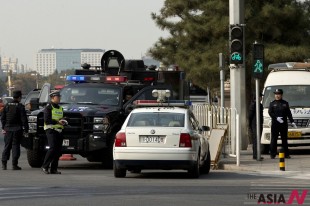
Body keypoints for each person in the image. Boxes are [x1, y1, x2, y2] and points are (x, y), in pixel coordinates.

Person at [41, 91, 67, 174]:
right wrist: (58, 122)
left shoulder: (60, 108)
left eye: (59, 97)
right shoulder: (48, 107)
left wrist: (65, 120)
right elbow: (47, 120)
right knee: (52, 148)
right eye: (57, 97)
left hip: (59, 131)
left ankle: (54, 169)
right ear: (52, 98)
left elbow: (61, 118)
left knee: (58, 150)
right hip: (51, 130)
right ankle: (45, 166)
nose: (59, 98)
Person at [1, 90, 28, 170]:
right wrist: (26, 129)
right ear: (19, 97)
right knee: (15, 146)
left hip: (8, 129)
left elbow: (3, 118)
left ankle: (4, 164)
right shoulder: (20, 106)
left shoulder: (7, 105)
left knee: (7, 146)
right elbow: (24, 119)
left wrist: (4, 127)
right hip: (17, 129)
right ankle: (14, 164)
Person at [268, 89, 297, 159]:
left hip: (283, 124)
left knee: (284, 139)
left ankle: (286, 154)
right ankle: (272, 154)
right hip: (275, 123)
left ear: (281, 95)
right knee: (274, 139)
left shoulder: (285, 103)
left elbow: (288, 113)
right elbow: (270, 112)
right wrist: (276, 118)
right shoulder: (272, 103)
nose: (277, 96)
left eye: (278, 94)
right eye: (276, 94)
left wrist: (292, 121)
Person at [248, 93, 264, 161]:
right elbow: (250, 116)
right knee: (255, 139)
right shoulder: (253, 104)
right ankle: (255, 155)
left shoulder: (259, 105)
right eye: (260, 97)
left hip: (259, 123)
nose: (261, 98)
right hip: (254, 124)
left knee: (258, 139)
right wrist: (250, 125)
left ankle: (257, 154)